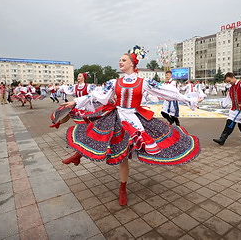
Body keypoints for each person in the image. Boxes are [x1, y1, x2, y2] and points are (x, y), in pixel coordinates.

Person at [60, 46, 201, 206]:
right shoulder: (115, 82)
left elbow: (165, 91)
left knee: (123, 156)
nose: (120, 62)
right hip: (116, 116)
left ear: (133, 64)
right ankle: (78, 155)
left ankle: (122, 188)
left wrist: (189, 99)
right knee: (96, 136)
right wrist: (76, 101)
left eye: (124, 60)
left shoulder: (144, 82)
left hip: (134, 118)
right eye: (120, 60)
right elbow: (97, 94)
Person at [213, 72, 241, 145]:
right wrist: (221, 104)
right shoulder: (231, 88)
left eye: (229, 81)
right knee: (229, 122)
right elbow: (228, 98)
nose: (229, 83)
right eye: (227, 82)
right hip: (234, 110)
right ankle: (222, 139)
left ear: (233, 77)